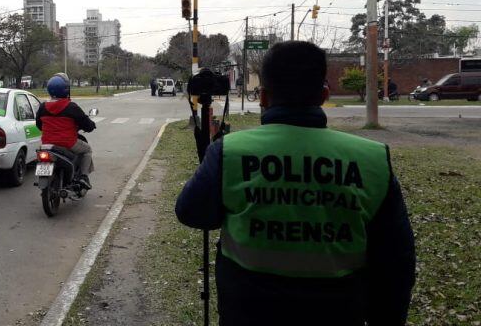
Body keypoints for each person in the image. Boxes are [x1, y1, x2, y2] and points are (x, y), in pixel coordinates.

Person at [175, 41, 415, 326]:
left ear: (262, 97)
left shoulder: (229, 152)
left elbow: (191, 213)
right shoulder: (372, 158)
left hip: (248, 313)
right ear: (324, 94)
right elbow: (396, 264)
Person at [36, 73, 97, 189]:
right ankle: (83, 177)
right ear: (65, 90)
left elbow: (39, 125)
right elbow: (86, 124)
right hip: (68, 143)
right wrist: (91, 126)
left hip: (47, 144)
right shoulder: (71, 107)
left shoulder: (43, 107)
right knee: (87, 150)